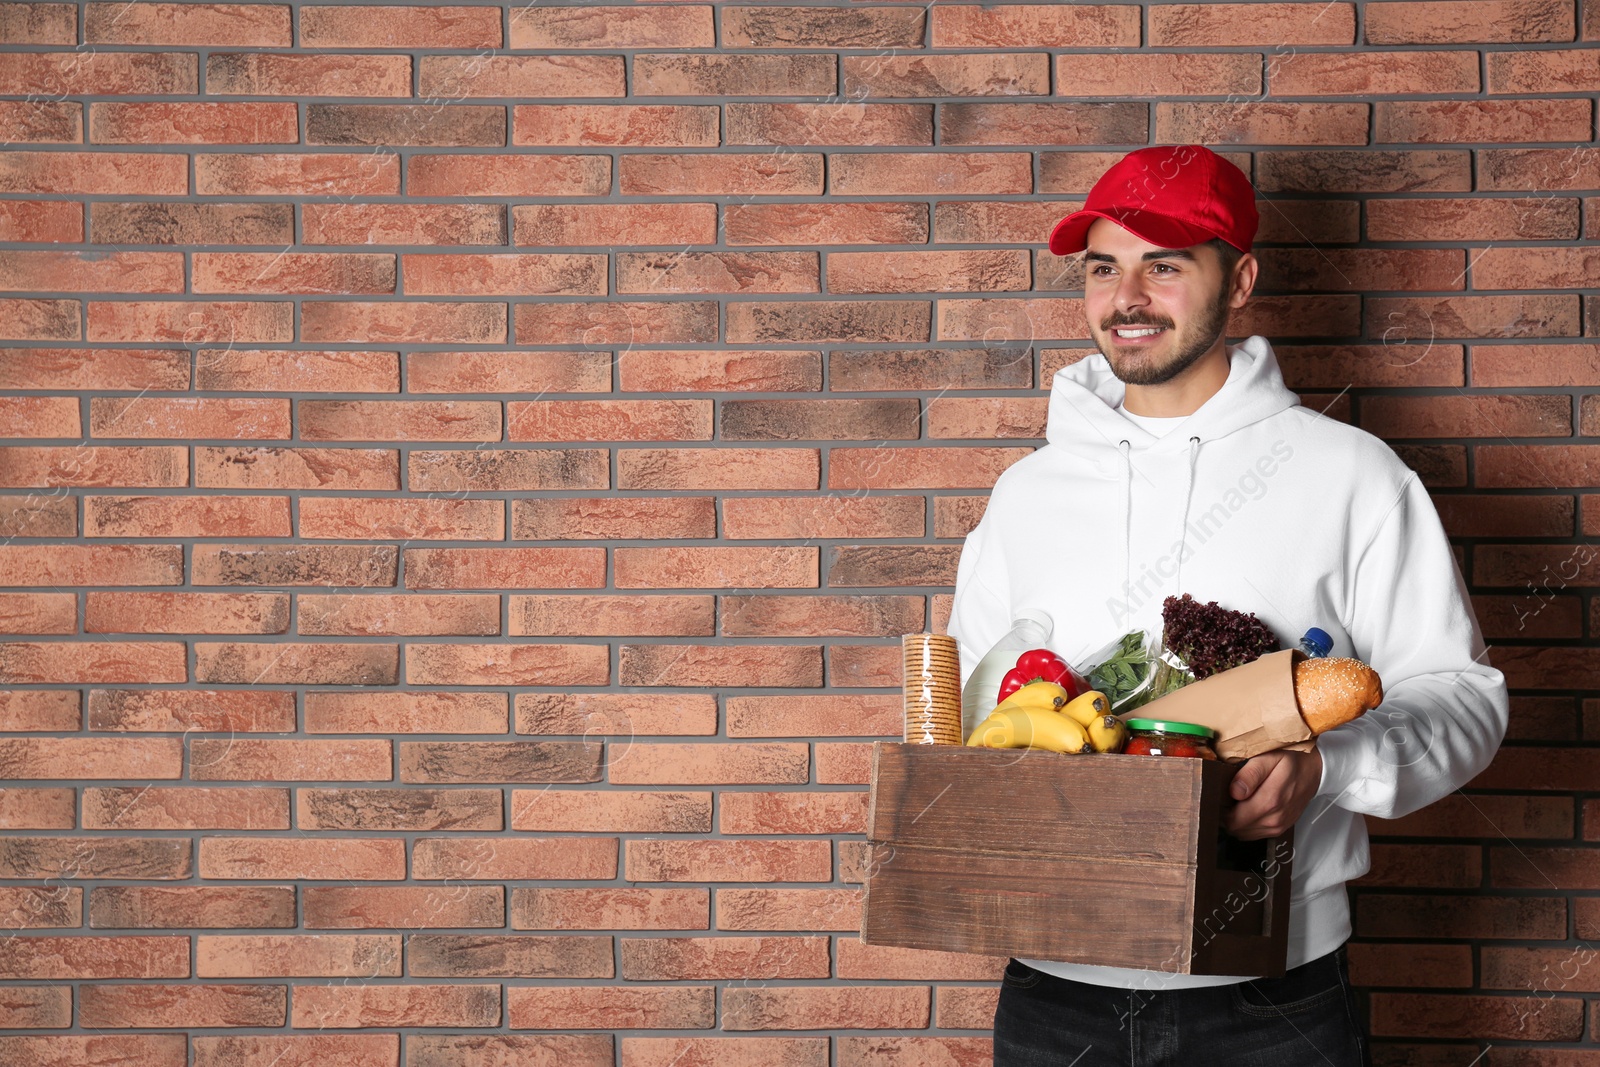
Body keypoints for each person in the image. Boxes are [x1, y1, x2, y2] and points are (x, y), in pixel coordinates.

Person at [944, 144, 1509, 1066]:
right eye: (1104, 267)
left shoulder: (1353, 476)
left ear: (1238, 279)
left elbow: (1463, 696)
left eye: (1163, 266)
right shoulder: (1025, 493)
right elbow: (974, 716)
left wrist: (1330, 767)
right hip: (1053, 994)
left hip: (1271, 998)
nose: (1128, 296)